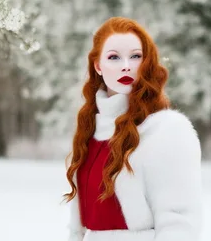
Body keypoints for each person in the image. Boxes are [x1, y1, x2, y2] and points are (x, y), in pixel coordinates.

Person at [64, 16, 203, 241]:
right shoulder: (90, 131)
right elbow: (77, 228)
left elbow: (179, 223)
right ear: (98, 66)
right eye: (114, 57)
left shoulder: (167, 131)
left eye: (135, 56)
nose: (126, 65)